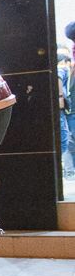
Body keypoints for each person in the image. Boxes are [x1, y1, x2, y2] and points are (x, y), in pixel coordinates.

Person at [57, 46, 75, 178]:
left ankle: (68, 172)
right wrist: (60, 98)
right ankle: (68, 172)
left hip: (67, 110)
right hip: (64, 109)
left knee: (67, 139)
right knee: (65, 140)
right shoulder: (63, 69)